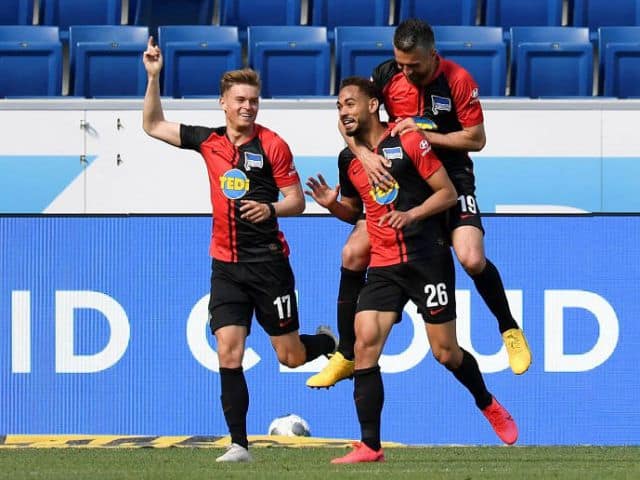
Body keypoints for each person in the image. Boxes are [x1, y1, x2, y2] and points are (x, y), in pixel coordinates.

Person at [306, 18, 531, 389]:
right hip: (404, 178)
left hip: (451, 178)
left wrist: (423, 133)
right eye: (401, 64)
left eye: (414, 65)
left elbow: (476, 140)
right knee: (352, 254)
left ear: (433, 54)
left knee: (472, 258)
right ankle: (345, 354)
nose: (406, 72)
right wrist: (362, 154)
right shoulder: (386, 74)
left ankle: (509, 329)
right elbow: (350, 114)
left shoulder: (458, 81)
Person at [142, 38, 337, 463]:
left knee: (289, 357)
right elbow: (153, 125)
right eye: (240, 100)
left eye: (254, 100)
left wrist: (269, 207)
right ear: (223, 104)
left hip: (269, 265)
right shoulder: (208, 141)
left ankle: (324, 344)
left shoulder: (273, 146)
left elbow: (296, 201)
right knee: (228, 350)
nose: (248, 107)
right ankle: (239, 444)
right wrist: (154, 77)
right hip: (226, 266)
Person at [306, 77, 518, 463]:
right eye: (339, 107)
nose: (343, 112)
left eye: (350, 104)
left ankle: (487, 402)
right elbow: (355, 212)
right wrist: (330, 205)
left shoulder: (409, 141)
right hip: (384, 264)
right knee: (365, 342)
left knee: (446, 352)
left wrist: (413, 214)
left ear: (373, 105)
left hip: (426, 259)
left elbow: (447, 194)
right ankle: (370, 445)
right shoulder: (348, 160)